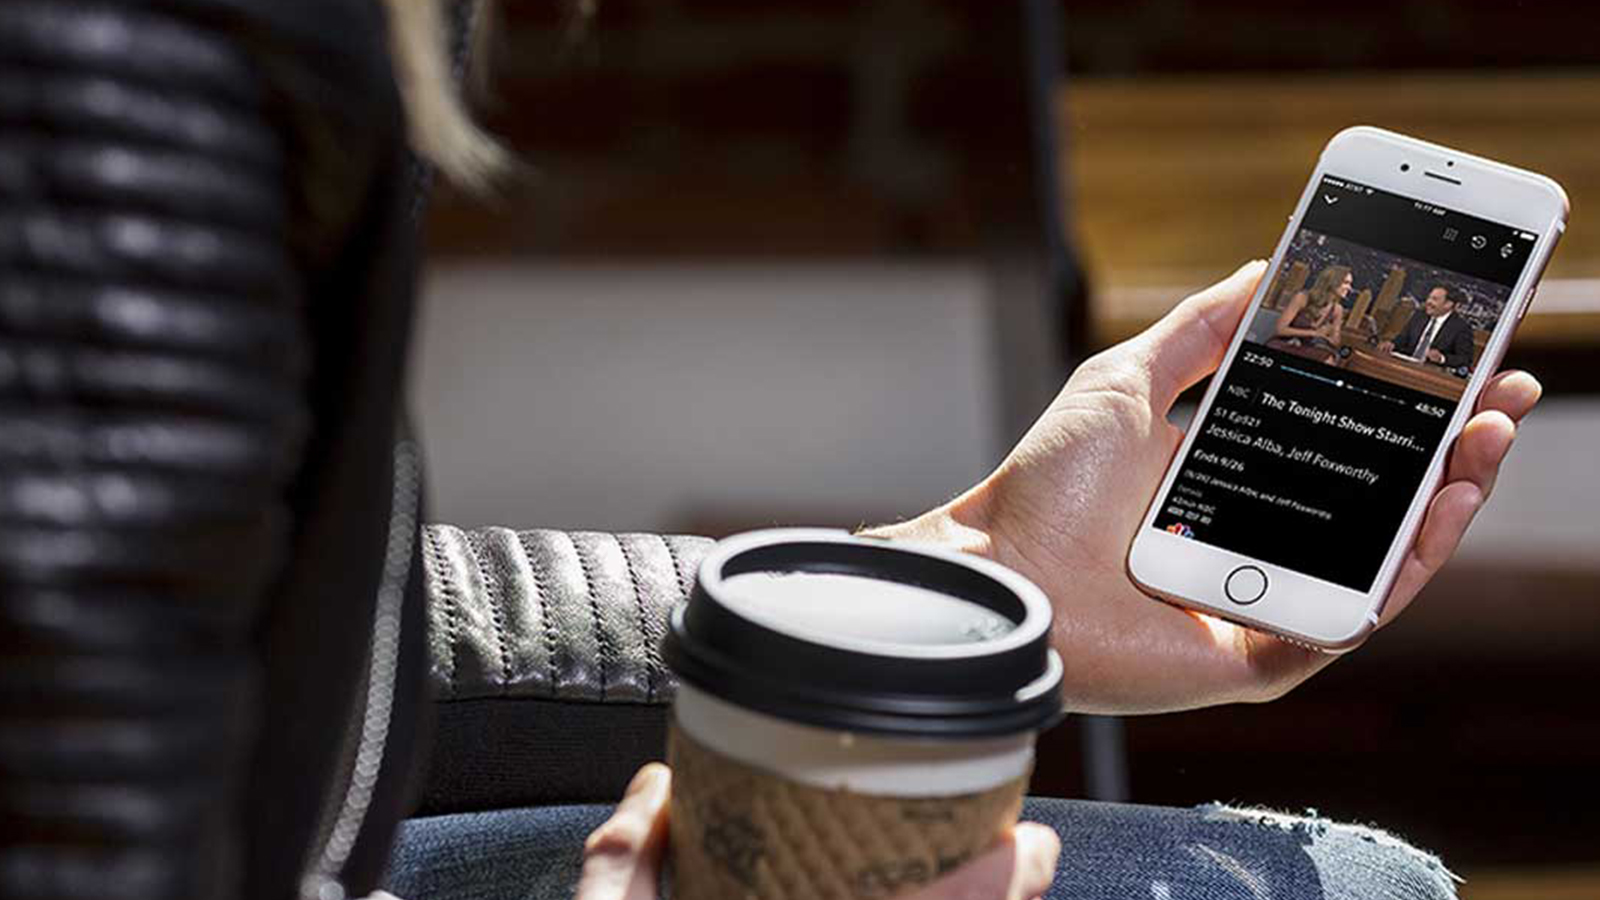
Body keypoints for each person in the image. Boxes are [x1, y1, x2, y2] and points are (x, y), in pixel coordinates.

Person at [1265, 264, 1349, 363]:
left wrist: (1332, 333)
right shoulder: (1302, 298)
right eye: (1346, 283)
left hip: (1307, 348)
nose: (1349, 288)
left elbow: (1335, 342)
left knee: (1329, 358)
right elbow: (1280, 329)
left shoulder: (1338, 309)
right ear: (1333, 282)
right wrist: (1314, 333)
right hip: (1284, 343)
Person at [1380, 286, 1477, 370]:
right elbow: (1402, 339)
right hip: (1406, 365)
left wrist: (1442, 358)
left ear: (1448, 304)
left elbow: (1465, 359)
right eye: (1429, 298)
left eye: (1434, 299)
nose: (1428, 302)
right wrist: (1392, 344)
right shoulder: (1419, 315)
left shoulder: (1461, 327)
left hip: (1431, 373)